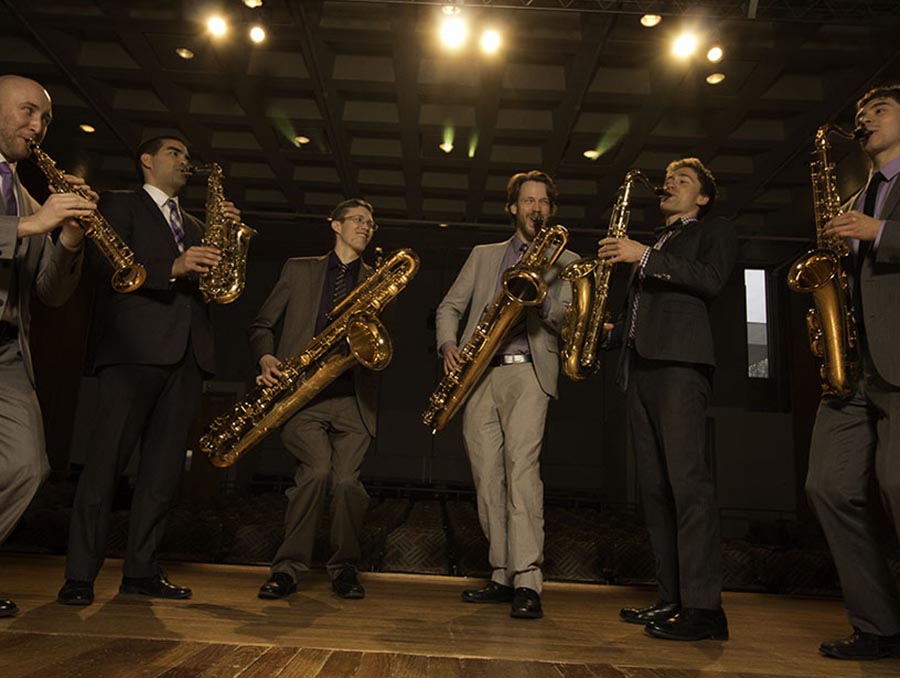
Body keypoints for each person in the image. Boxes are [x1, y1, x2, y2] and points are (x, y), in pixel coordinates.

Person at [57, 136, 239, 606]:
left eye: (186, 154)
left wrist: (230, 243)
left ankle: (140, 570)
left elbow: (217, 289)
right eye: (174, 153)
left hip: (188, 357)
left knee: (162, 475)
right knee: (104, 468)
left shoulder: (198, 223)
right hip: (132, 351)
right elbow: (102, 266)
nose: (184, 160)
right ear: (146, 160)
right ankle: (80, 575)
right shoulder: (118, 205)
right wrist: (174, 265)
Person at [600, 157, 736, 641]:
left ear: (701, 197)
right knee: (655, 491)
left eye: (683, 181)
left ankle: (705, 611)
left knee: (688, 485)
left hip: (680, 365)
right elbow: (643, 312)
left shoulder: (711, 230)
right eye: (670, 178)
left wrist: (642, 257)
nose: (670, 185)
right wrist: (609, 330)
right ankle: (671, 599)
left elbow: (711, 280)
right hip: (640, 366)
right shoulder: (655, 242)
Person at [435, 170, 577, 619]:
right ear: (512, 208)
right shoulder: (483, 255)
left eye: (543, 202)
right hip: (477, 375)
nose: (535, 207)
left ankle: (528, 581)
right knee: (487, 479)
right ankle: (501, 573)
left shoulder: (566, 260)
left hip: (528, 374)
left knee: (521, 473)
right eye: (527, 200)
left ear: (549, 210)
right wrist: (448, 344)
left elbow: (568, 320)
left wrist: (543, 301)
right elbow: (449, 307)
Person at [804, 85, 900, 661]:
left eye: (880, 110)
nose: (863, 119)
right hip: (851, 367)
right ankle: (880, 625)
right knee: (828, 487)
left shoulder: (874, 208)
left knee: (896, 485)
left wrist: (881, 233)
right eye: (860, 113)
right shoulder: (858, 193)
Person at [249, 198, 379, 601]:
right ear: (335, 225)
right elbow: (262, 325)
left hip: (353, 399)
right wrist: (266, 355)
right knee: (318, 472)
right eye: (358, 220)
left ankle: (344, 569)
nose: (366, 227)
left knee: (346, 484)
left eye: (371, 223)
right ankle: (288, 569)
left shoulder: (378, 280)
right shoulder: (298, 268)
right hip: (301, 396)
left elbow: (378, 347)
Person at [0, 74, 94, 618]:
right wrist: (34, 223)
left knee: (27, 466)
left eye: (45, 119)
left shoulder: (30, 194)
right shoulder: (29, 208)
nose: (37, 127)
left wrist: (69, 237)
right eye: (28, 112)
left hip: (10, 352)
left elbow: (51, 293)